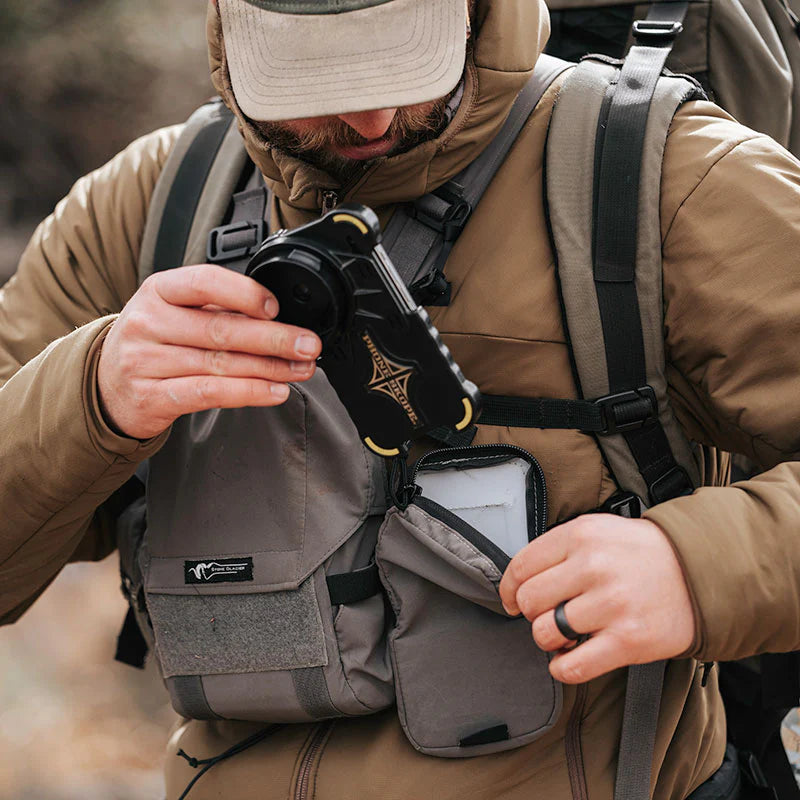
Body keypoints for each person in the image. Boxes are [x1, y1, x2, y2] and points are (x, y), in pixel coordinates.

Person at [1, 1, 800, 798]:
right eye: (319, 76)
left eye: (403, 62)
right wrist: (89, 396)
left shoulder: (670, 176)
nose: (371, 117)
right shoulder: (147, 208)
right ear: (228, 34)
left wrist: (698, 565)